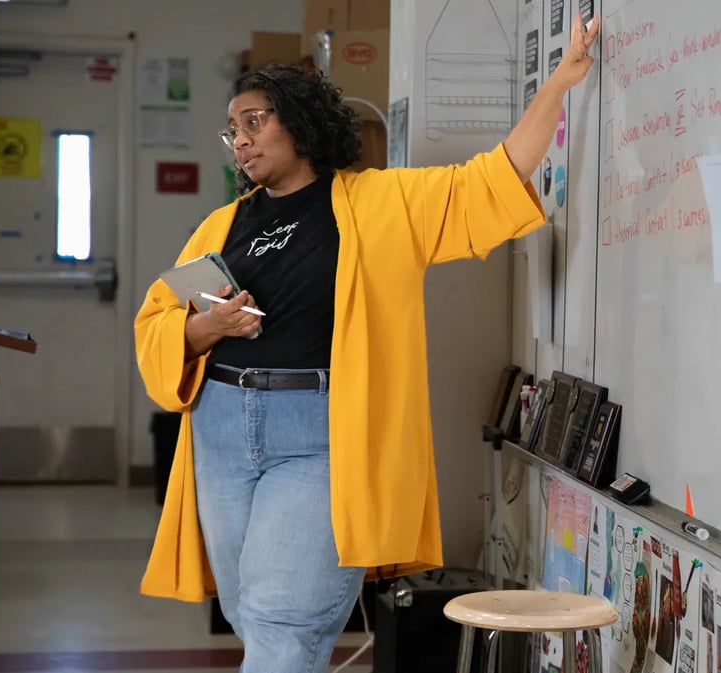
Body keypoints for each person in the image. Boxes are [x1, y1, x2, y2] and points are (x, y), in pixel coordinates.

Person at [133, 14, 601, 673]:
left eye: (254, 121)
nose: (240, 140)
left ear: (298, 120)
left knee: (284, 622)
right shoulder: (221, 224)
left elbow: (487, 182)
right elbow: (158, 318)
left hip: (321, 437)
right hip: (220, 434)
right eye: (232, 129)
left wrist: (558, 83)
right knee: (250, 614)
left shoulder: (377, 203)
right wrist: (205, 327)